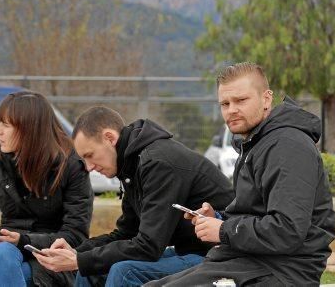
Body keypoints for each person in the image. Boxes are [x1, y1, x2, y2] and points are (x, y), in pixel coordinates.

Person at [147, 62, 335, 286]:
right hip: (246, 262)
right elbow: (255, 213)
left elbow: (288, 230)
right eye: (225, 104)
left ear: (266, 98)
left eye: (241, 100)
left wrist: (224, 230)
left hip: (283, 272)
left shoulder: (288, 145)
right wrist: (216, 219)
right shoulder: (256, 144)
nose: (231, 110)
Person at [34, 106, 234, 286]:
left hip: (219, 256)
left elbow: (148, 246)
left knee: (124, 272)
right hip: (189, 251)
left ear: (110, 138)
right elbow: (126, 233)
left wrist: (79, 261)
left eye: (90, 155)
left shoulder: (158, 163)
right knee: (90, 272)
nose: (89, 167)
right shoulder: (132, 165)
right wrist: (78, 251)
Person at [0, 91, 94, 286]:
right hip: (2, 251)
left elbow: (75, 235)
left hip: (49, 258)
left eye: (6, 125)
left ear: (30, 130)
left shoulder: (71, 164)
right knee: (2, 253)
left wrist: (22, 239)